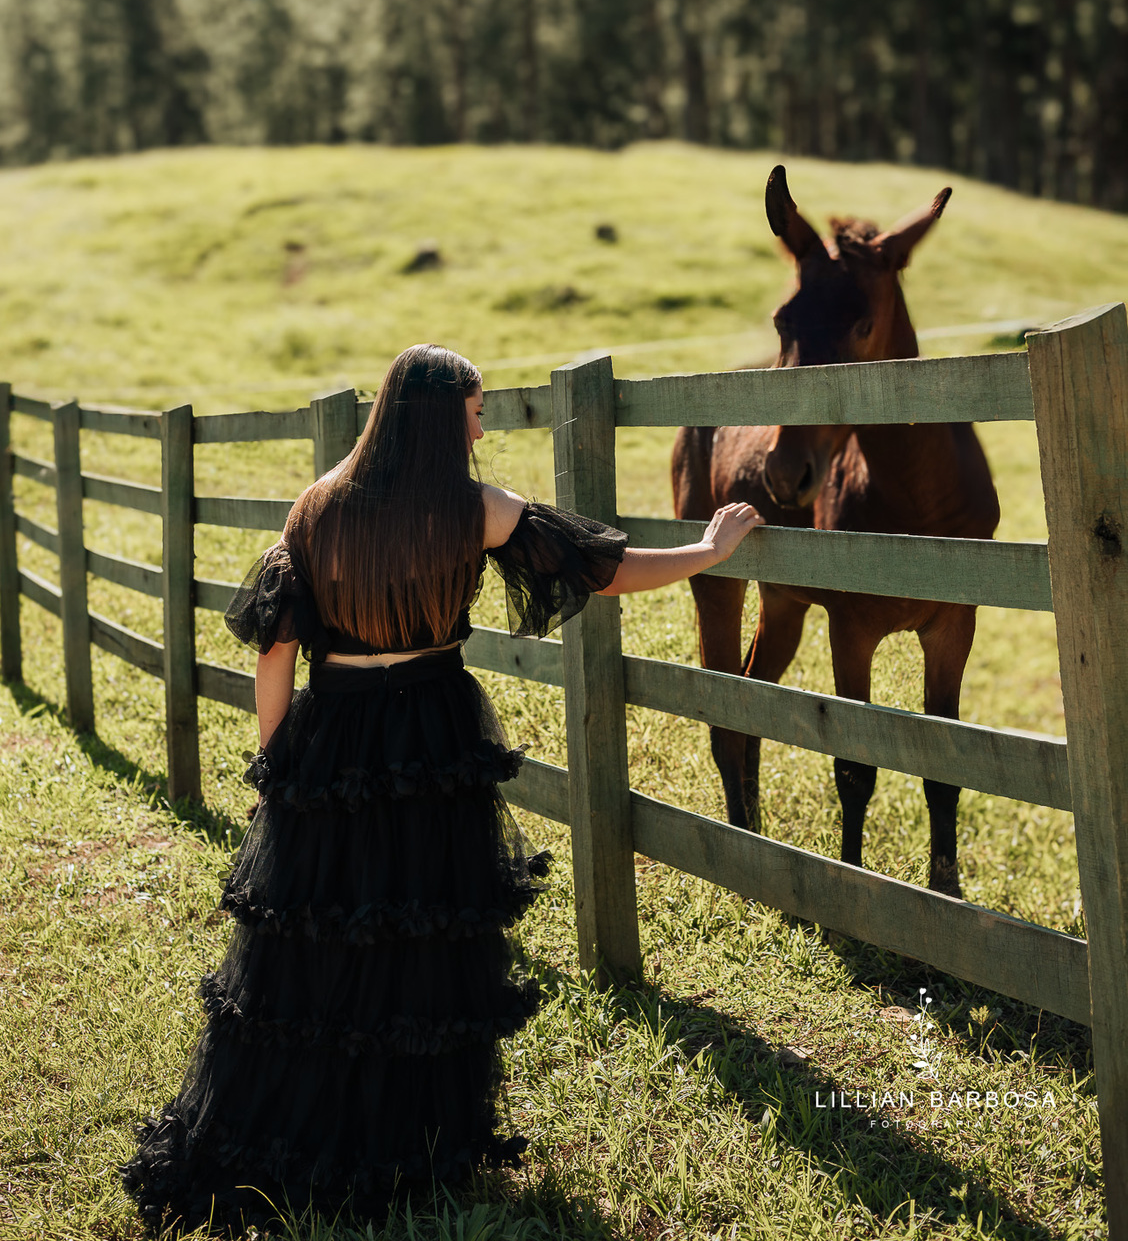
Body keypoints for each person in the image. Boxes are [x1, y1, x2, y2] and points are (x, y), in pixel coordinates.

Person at [122, 344, 762, 1231]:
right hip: (432, 729)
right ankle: (416, 1143)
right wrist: (706, 548)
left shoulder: (313, 509)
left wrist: (281, 770)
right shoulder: (475, 510)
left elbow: (274, 650)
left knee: (323, 948)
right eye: (474, 409)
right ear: (438, 418)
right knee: (425, 937)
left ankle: (309, 1137)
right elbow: (603, 569)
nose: (482, 422)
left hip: (334, 731)